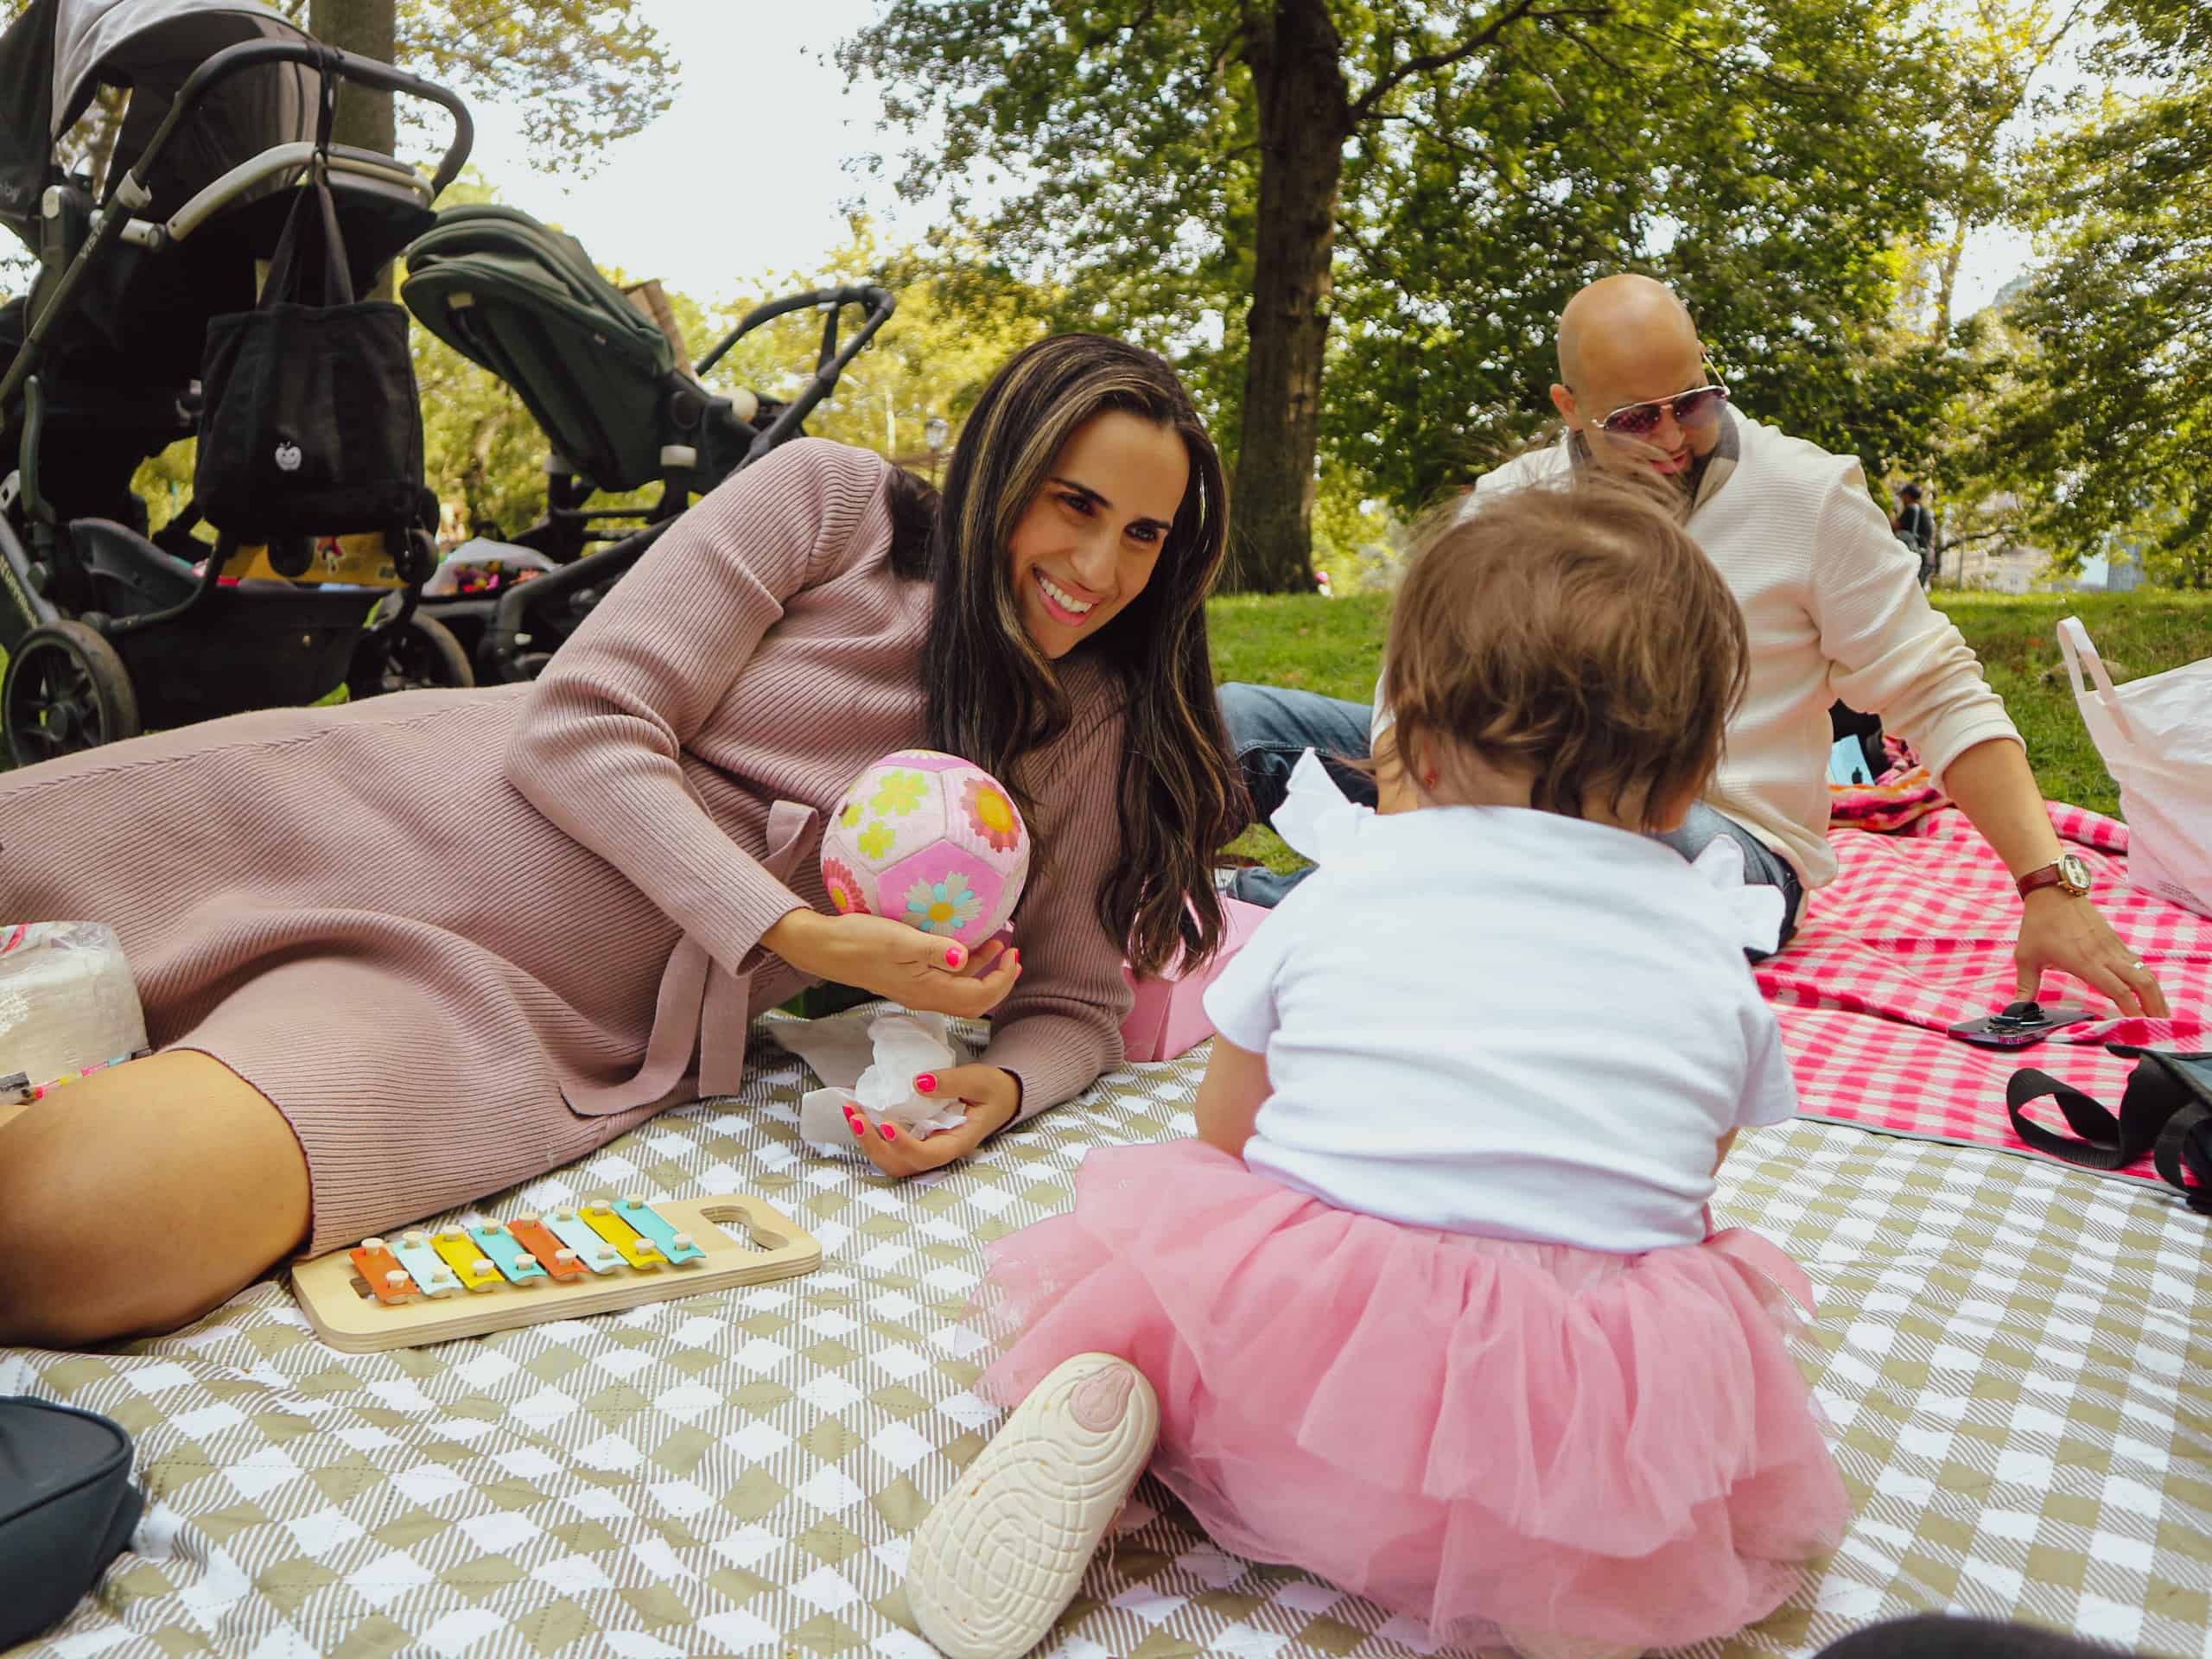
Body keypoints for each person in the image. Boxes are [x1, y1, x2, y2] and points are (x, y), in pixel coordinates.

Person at [0, 334, 1245, 1348]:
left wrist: (999, 1087)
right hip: (387, 813)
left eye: (1144, 535)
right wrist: (796, 934)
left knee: (67, 1231)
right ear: (999, 469)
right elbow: (585, 725)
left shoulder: (1088, 725)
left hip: (513, 1013)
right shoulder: (836, 504)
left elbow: (1079, 1001)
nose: (1097, 564)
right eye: (1073, 504)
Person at [902, 476, 1851, 1659]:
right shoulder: (1713, 944)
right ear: (1680, 787)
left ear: (1404, 741)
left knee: (1187, 1257)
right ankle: (1561, 1576)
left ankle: (1139, 1417)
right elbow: (1690, 1173)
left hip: (1304, 1386)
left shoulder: (1350, 888)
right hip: (1559, 1436)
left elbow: (1227, 1122)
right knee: (1664, 1309)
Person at [1220, 275, 2170, 1020]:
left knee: (1583, 822)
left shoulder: (1809, 499)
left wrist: (2047, 883)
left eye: (1695, 400)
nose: (1674, 438)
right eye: (1634, 418)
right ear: (1568, 406)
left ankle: (1264, 909)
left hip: (1717, 838)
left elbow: (1939, 692)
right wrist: (1401, 817)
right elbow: (1413, 691)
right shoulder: (1512, 501)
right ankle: (1117, 877)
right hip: (1485, 791)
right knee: (1231, 721)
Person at [1893, 482, 1936, 587]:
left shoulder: (1911, 509)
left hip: (1913, 552)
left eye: (1903, 495)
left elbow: (1896, 526)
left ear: (1908, 495)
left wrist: (1893, 512)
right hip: (1925, 553)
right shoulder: (1925, 511)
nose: (1902, 498)